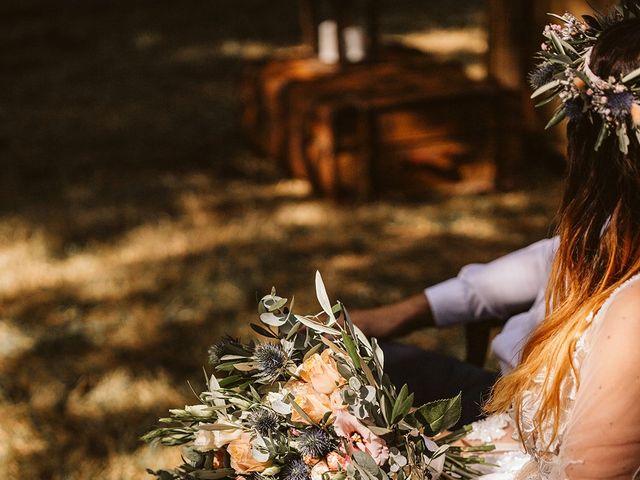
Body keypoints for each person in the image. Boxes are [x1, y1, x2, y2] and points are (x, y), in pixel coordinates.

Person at [360, 4, 640, 477]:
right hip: (506, 420)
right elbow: (539, 265)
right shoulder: (613, 231)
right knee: (336, 370)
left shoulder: (634, 314)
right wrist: (407, 311)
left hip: (511, 436)